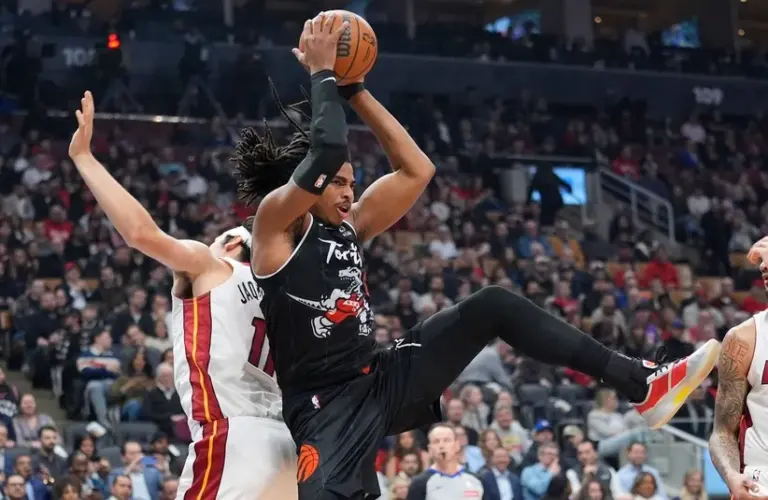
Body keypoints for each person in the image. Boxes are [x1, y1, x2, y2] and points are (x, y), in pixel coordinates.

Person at [236, 11, 720, 500]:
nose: (347, 192)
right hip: (324, 407)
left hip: (381, 379)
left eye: (352, 183)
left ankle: (640, 382)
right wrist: (322, 74)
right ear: (307, 184)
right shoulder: (276, 224)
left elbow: (416, 171)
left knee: (492, 304)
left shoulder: (353, 225)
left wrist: (355, 90)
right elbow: (326, 149)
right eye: (338, 183)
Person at [68, 91, 296, 499]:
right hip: (286, 443)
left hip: (232, 435)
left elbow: (140, 234)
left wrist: (85, 158)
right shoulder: (282, 290)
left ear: (228, 244)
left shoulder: (212, 265)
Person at [709, 238, 768, 500]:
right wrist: (732, 476)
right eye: (763, 268)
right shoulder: (743, 339)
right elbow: (722, 432)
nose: (764, 268)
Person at [406, 423, 484, 499]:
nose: (441, 445)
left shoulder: (475, 480)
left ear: (457, 445)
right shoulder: (419, 484)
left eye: (447, 440)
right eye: (436, 441)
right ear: (430, 449)